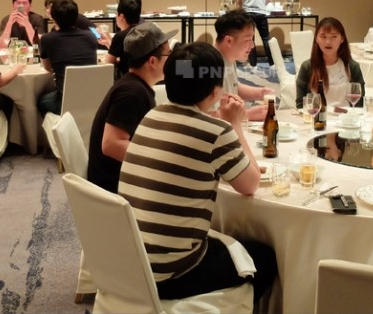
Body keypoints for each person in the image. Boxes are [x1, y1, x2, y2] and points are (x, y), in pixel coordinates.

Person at [118, 42, 277, 303]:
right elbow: (251, 184)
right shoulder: (217, 133)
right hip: (171, 274)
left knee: (227, 243)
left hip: (132, 262)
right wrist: (235, 124)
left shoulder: (151, 116)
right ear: (215, 91)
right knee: (264, 258)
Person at [87, 22, 177, 193]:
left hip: (123, 177)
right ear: (153, 61)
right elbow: (111, 145)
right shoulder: (132, 93)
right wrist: (158, 159)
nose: (171, 59)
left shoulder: (136, 85)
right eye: (168, 54)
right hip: (117, 187)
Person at [37, 0, 98, 115]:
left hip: (64, 102)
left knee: (41, 101)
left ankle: (57, 126)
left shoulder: (47, 39)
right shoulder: (90, 36)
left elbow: (48, 67)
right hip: (91, 100)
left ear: (53, 17)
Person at [213, 9, 274, 121]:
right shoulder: (209, 64)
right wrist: (247, 115)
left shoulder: (228, 57)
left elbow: (234, 86)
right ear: (229, 41)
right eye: (248, 40)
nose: (253, 46)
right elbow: (206, 115)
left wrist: (261, 93)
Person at [295, 17, 365, 108]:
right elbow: (300, 104)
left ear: (342, 38)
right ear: (316, 38)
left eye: (334, 36)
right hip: (318, 115)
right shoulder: (307, 67)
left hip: (346, 116)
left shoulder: (352, 67)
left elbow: (359, 102)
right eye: (323, 37)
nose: (328, 42)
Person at [236, 0, 273, 67]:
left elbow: (238, 1)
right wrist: (262, 5)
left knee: (250, 38)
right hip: (261, 12)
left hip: (247, 13)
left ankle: (253, 64)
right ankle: (273, 63)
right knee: (266, 38)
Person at [43, 0, 111, 48]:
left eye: (51, 7)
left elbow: (97, 33)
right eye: (47, 8)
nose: (48, 11)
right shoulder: (54, 29)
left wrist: (105, 41)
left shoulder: (77, 19)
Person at [106, 0, 142, 78]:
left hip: (126, 80)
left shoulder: (120, 36)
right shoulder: (144, 32)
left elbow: (108, 63)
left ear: (121, 16)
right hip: (145, 79)